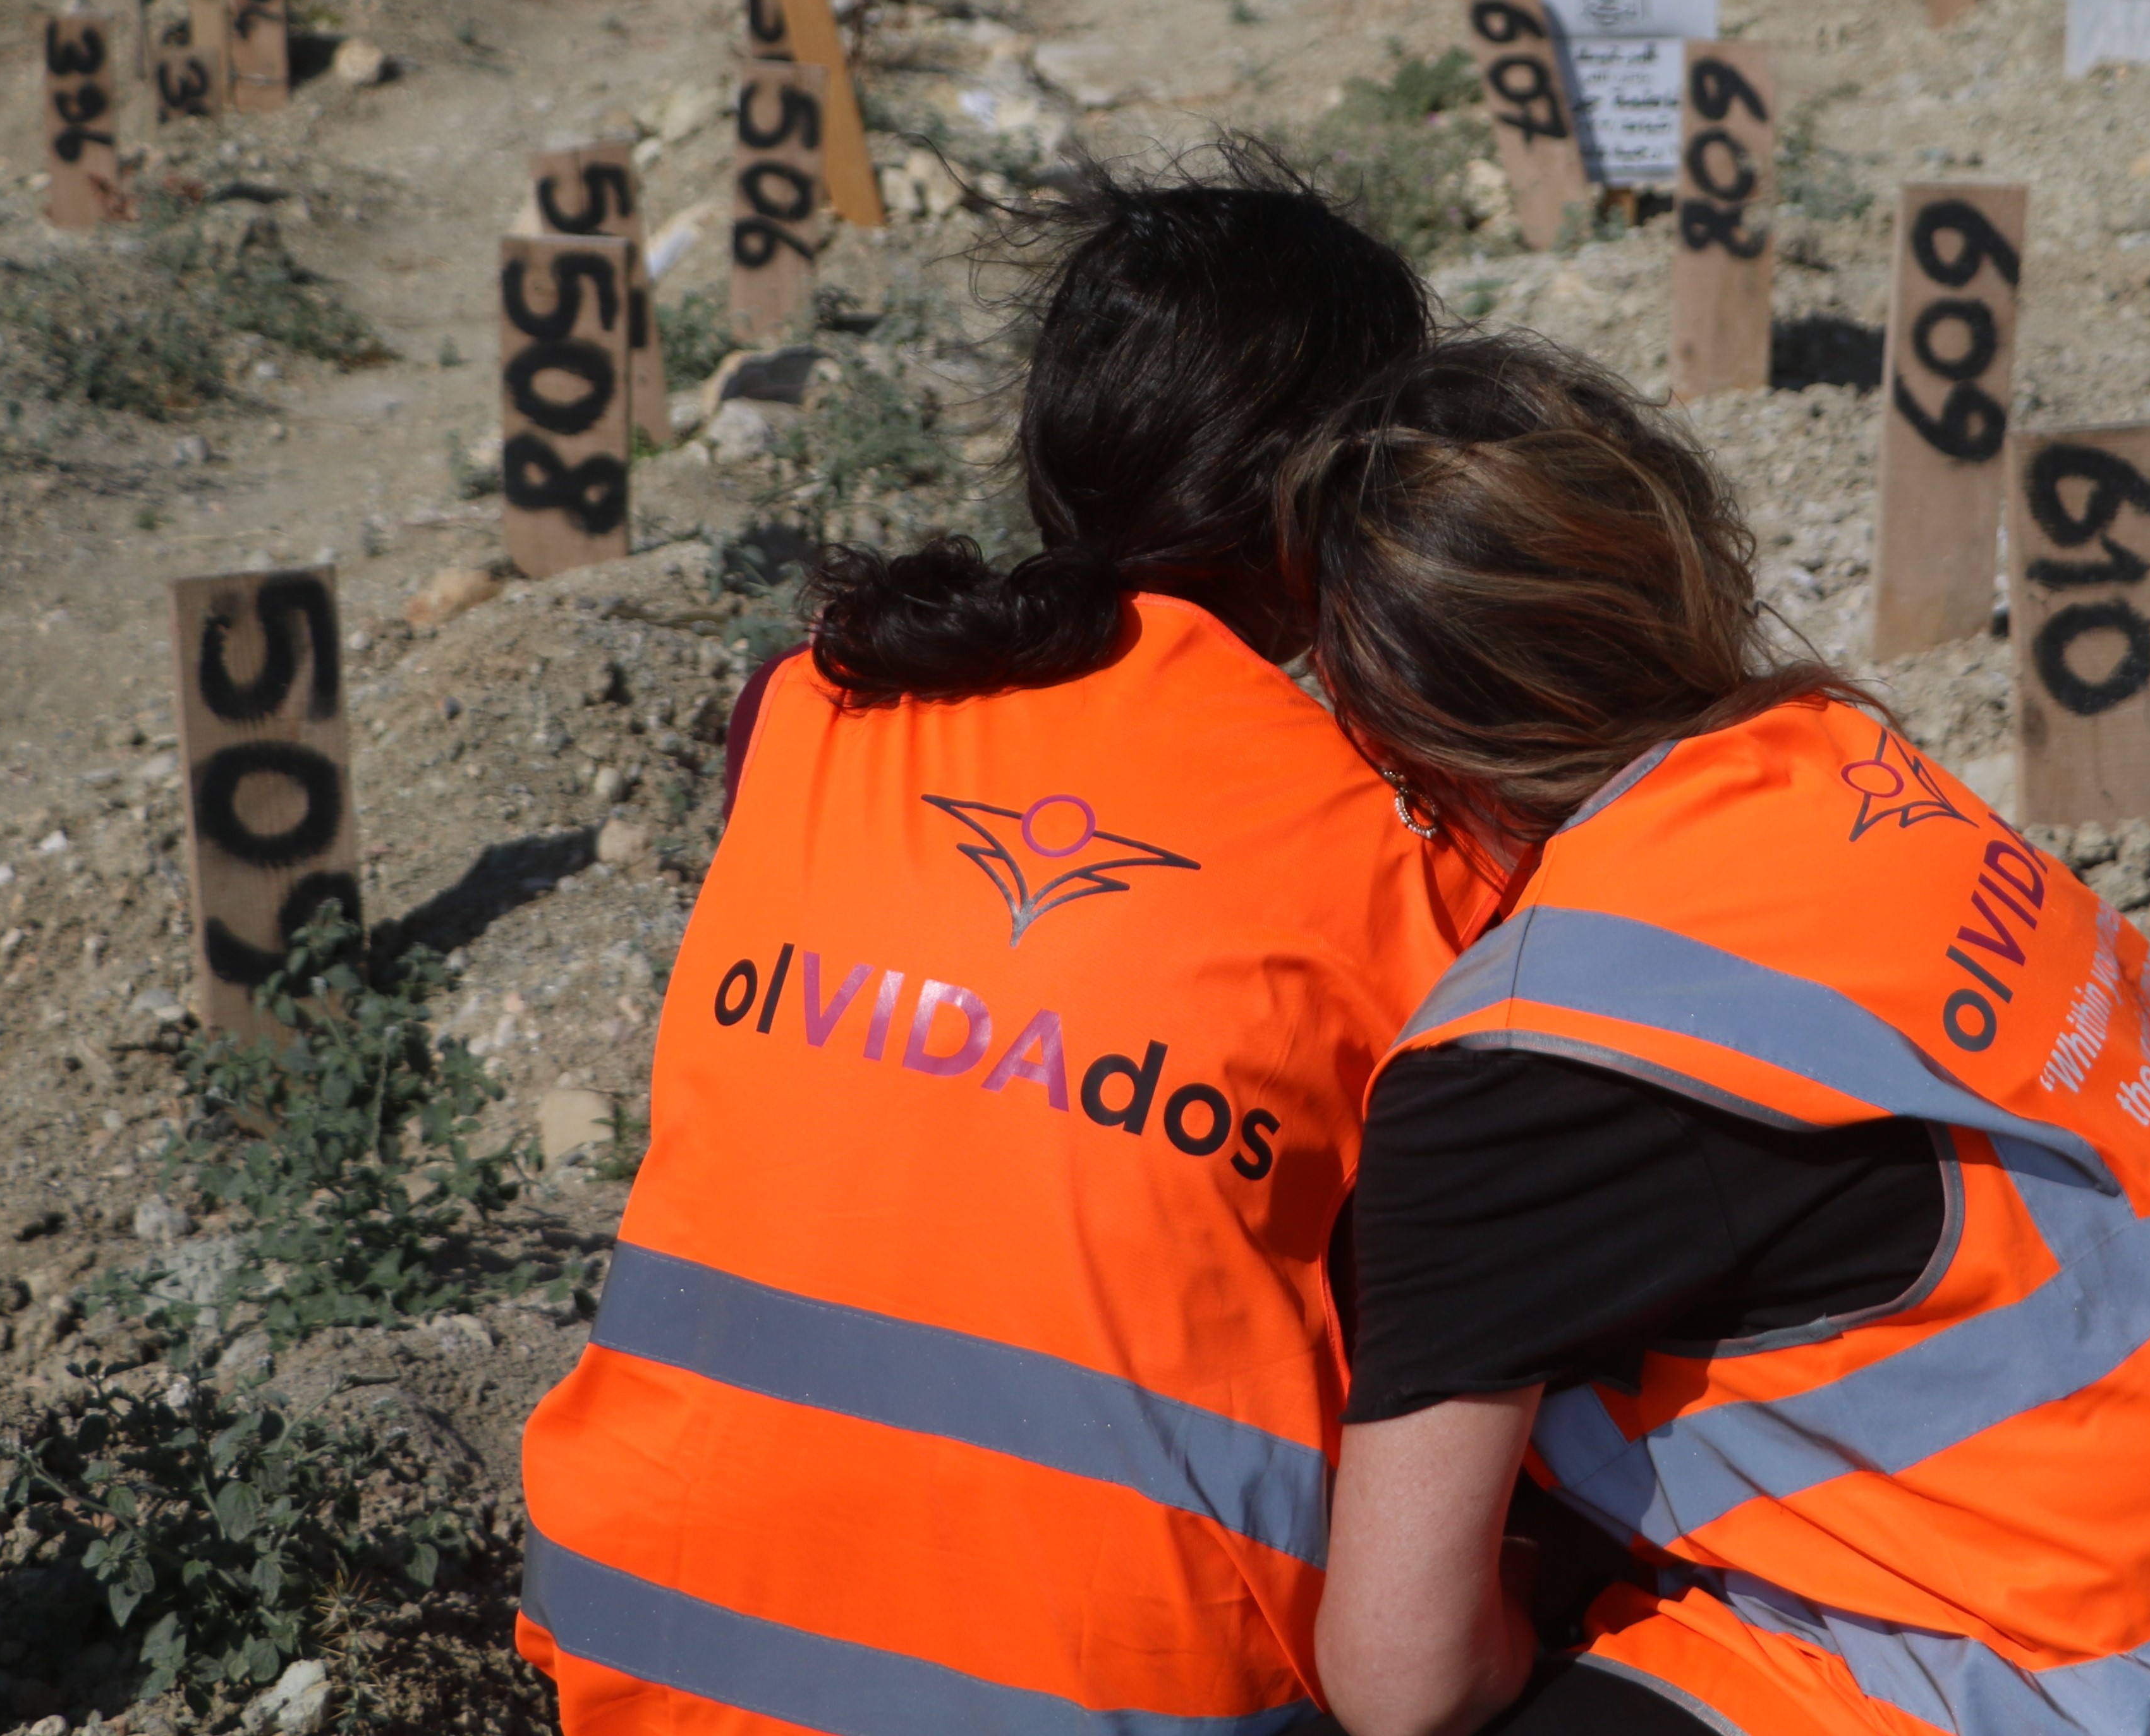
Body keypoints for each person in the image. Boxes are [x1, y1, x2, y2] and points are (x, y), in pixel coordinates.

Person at [516, 166, 1496, 1736]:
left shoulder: (809, 713)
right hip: (1114, 1697)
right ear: (1346, 497)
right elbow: (1453, 1354)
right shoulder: (1410, 861)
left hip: (642, 1642)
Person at [1281, 338, 2150, 1736]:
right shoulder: (1844, 763)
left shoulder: (1519, 1063)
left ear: (1392, 724)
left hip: (2088, 1684)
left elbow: (1406, 1681)